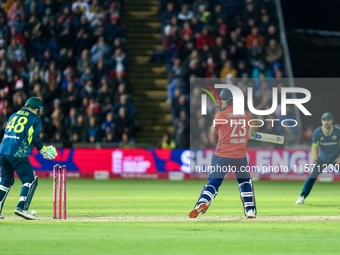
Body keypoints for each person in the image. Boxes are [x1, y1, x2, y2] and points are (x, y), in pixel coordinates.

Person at [189, 88, 257, 219]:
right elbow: (248, 135)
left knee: (213, 183)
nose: (221, 103)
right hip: (240, 157)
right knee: (244, 182)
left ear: (229, 101)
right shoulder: (245, 114)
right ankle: (250, 210)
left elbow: (214, 131)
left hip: (222, 156)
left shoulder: (221, 115)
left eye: (223, 100)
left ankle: (202, 202)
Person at [0, 97, 57, 220]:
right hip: (18, 153)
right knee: (30, 180)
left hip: (3, 151)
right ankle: (22, 208)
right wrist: (42, 150)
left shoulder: (14, 115)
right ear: (37, 108)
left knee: (5, 181)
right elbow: (35, 137)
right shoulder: (35, 119)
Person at [295, 113, 340, 204]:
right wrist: (314, 159)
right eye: (324, 120)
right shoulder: (317, 132)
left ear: (332, 121)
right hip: (323, 158)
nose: (326, 122)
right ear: (322, 121)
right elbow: (315, 146)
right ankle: (302, 196)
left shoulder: (338, 131)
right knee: (312, 176)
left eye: (328, 120)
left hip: (336, 158)